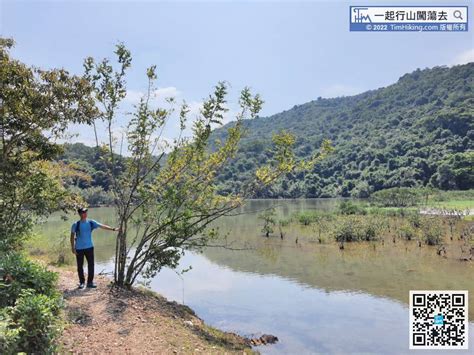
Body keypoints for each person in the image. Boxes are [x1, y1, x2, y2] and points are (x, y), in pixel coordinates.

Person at [70, 207, 119, 289]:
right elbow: (71, 237)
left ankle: (90, 282)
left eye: (85, 212)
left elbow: (102, 226)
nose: (84, 214)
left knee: (91, 265)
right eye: (82, 212)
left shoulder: (91, 222)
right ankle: (82, 282)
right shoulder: (76, 224)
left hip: (89, 247)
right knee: (80, 266)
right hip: (79, 248)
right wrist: (72, 248)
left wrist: (113, 229)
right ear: (79, 214)